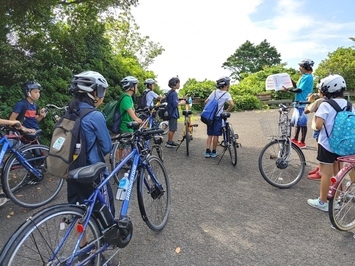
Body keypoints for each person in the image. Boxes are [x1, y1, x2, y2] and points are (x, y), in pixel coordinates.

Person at [67, 71, 115, 253]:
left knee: (80, 212)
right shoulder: (95, 116)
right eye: (101, 91)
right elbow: (107, 147)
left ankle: (83, 249)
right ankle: (103, 249)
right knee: (104, 212)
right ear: (94, 93)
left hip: (71, 171)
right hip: (93, 173)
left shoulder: (70, 111)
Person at [307, 74, 351, 211]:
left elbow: (319, 125)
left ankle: (322, 201)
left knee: (325, 173)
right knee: (338, 172)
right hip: (342, 144)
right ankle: (337, 201)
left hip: (326, 144)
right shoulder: (349, 104)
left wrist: (314, 124)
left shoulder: (325, 104)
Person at [283, 59, 314, 148]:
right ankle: (295, 139)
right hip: (298, 102)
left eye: (301, 67)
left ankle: (302, 142)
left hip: (303, 103)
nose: (299, 68)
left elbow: (299, 90)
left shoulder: (308, 77)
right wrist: (290, 80)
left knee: (302, 123)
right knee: (298, 122)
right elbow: (297, 86)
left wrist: (288, 89)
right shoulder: (303, 76)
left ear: (306, 68)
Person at [204, 76, 234, 158]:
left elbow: (206, 102)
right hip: (218, 117)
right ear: (226, 85)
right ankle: (213, 152)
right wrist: (226, 111)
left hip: (210, 116)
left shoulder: (214, 92)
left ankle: (207, 151)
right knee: (216, 135)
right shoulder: (227, 94)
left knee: (210, 134)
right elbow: (232, 104)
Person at [116, 76, 143, 160]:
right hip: (126, 125)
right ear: (131, 87)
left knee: (124, 144)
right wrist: (137, 119)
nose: (137, 88)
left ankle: (121, 161)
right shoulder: (126, 98)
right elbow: (130, 112)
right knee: (124, 145)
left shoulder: (127, 97)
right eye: (136, 86)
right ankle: (121, 161)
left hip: (127, 125)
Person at [304, 87, 326, 180]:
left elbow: (306, 111)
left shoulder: (319, 101)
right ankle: (319, 168)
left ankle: (321, 171)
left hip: (319, 128)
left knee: (320, 151)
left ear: (321, 92)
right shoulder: (332, 100)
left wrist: (309, 100)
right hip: (329, 129)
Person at [165, 77, 186, 148]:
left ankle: (170, 141)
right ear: (174, 84)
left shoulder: (170, 92)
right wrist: (182, 102)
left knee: (172, 128)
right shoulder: (173, 93)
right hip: (172, 113)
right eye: (178, 83)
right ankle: (169, 142)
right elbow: (175, 104)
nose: (179, 85)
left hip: (170, 112)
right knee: (172, 129)